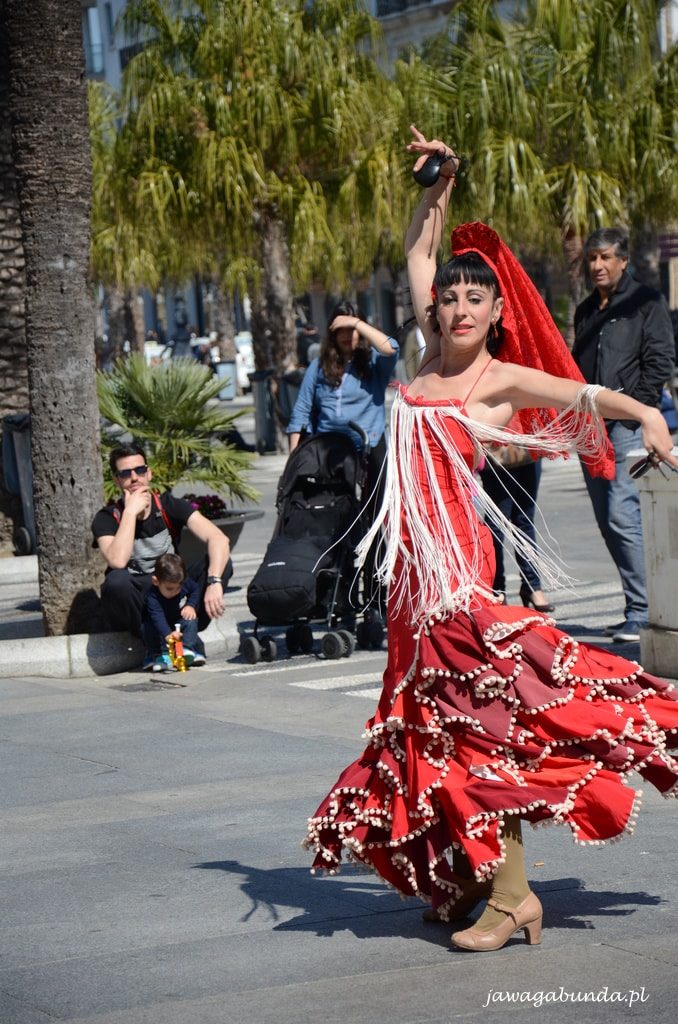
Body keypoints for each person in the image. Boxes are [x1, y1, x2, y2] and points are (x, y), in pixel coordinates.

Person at [304, 126, 678, 953]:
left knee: (475, 726)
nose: (462, 307)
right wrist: (440, 184)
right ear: (436, 309)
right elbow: (418, 248)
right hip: (409, 582)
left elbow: (587, 395)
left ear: (498, 311)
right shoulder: (424, 363)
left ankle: (512, 897)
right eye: (451, 298)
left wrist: (651, 416)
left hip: (458, 578)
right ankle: (469, 877)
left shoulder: (497, 379)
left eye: (478, 299)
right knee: (426, 727)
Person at [572, 228, 675, 643]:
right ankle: (637, 606)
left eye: (605, 257)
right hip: (589, 427)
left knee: (622, 514)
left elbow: (661, 359)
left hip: (627, 426)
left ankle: (644, 610)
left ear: (623, 261)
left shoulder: (645, 301)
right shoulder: (585, 309)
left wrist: (637, 410)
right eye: (592, 258)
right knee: (606, 520)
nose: (597, 265)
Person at [286, 301, 399, 614]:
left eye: (353, 329)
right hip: (329, 454)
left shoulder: (373, 363)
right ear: (332, 333)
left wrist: (357, 323)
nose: (348, 335)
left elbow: (391, 347)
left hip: (369, 449)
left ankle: (375, 597)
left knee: (373, 525)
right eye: (342, 330)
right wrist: (294, 462)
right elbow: (300, 413)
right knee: (334, 523)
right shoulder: (318, 367)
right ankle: (336, 596)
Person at [91, 443, 232, 667]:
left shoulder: (168, 505)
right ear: (117, 480)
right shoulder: (108, 517)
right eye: (125, 474)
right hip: (141, 603)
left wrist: (214, 582)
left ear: (149, 473)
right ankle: (153, 641)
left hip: (174, 592)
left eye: (139, 470)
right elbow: (117, 560)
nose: (134, 478)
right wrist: (130, 512)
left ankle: (187, 633)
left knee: (220, 561)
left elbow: (219, 539)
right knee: (116, 581)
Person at [478, 441, 554, 612]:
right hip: (497, 444)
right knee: (497, 522)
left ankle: (532, 586)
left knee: (525, 519)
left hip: (528, 441)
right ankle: (497, 589)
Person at [143, 552, 205, 672]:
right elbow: (157, 617)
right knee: (148, 627)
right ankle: (158, 656)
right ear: (156, 581)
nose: (175, 592)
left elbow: (195, 589)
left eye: (179, 588)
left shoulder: (183, 582)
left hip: (176, 621)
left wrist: (190, 605)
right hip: (159, 625)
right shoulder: (152, 597)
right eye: (169, 588)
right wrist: (167, 634)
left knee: (190, 619)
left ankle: (187, 650)